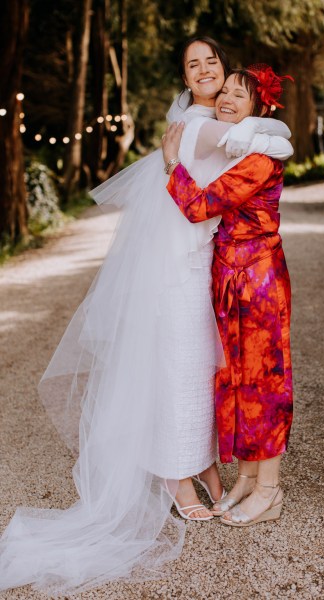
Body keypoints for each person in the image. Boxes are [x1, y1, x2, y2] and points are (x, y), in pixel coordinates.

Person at [0, 40, 292, 595]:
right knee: (193, 365)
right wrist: (186, 152)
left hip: (231, 267)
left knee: (226, 370)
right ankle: (182, 473)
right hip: (196, 263)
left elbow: (253, 142)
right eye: (196, 67)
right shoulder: (199, 125)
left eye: (222, 72)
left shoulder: (219, 126)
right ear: (186, 77)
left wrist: (272, 131)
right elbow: (228, 154)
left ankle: (224, 471)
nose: (213, 78)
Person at [163, 64, 294, 527]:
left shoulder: (258, 158)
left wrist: (171, 164)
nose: (228, 99)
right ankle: (247, 477)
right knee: (235, 378)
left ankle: (269, 490)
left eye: (241, 95)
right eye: (227, 92)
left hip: (257, 276)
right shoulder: (237, 147)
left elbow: (199, 207)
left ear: (258, 109)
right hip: (228, 274)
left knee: (265, 383)